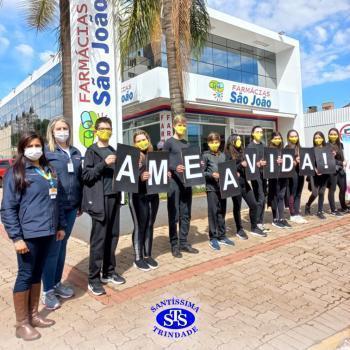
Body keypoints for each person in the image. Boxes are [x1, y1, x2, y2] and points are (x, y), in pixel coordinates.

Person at [1, 132, 66, 341]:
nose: (35, 148)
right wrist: (16, 237)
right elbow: (8, 209)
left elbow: (58, 200)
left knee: (37, 273)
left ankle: (34, 315)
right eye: (30, 145)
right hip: (28, 234)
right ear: (23, 148)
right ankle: (21, 324)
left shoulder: (49, 170)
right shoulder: (16, 173)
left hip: (48, 231)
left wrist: (60, 225)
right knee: (25, 274)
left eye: (38, 144)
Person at [41, 117, 83, 310]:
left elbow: (79, 180)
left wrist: (80, 202)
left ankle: (57, 284)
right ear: (52, 131)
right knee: (52, 250)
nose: (62, 131)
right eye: (58, 128)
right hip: (55, 209)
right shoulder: (47, 153)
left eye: (65, 128)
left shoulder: (75, 152)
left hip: (72, 208)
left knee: (62, 246)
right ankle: (47, 290)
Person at [82, 117, 125, 296]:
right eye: (102, 128)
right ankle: (93, 279)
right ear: (96, 130)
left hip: (114, 198)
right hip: (99, 201)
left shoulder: (114, 150)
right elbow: (87, 175)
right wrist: (103, 164)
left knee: (113, 236)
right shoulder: (91, 151)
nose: (106, 131)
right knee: (99, 239)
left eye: (108, 128)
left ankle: (108, 271)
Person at [163, 114, 199, 258]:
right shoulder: (169, 143)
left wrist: (199, 164)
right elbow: (162, 161)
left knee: (186, 214)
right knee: (174, 214)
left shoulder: (187, 144)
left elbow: (192, 162)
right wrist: (172, 168)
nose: (182, 128)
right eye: (179, 125)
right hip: (173, 184)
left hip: (187, 183)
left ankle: (183, 242)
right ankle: (174, 244)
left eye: (184, 125)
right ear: (174, 126)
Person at [129, 130, 160, 271]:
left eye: (144, 139)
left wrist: (165, 174)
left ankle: (147, 255)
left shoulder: (154, 156)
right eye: (139, 140)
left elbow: (158, 174)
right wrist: (140, 178)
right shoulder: (132, 156)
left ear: (148, 140)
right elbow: (126, 178)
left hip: (152, 195)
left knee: (149, 224)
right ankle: (138, 258)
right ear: (134, 143)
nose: (142, 142)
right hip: (137, 196)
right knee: (139, 226)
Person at [225, 134, 266, 239]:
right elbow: (226, 169)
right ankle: (239, 229)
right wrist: (239, 166)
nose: (239, 141)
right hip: (235, 184)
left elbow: (249, 165)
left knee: (254, 204)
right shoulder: (227, 154)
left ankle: (254, 227)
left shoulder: (243, 152)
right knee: (237, 207)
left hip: (244, 183)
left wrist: (256, 165)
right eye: (237, 139)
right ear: (232, 141)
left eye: (240, 139)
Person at [202, 132, 235, 250]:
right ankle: (213, 238)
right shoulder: (205, 156)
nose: (214, 144)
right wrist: (212, 175)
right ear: (208, 143)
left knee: (222, 212)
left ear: (220, 143)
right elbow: (201, 172)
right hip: (211, 189)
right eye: (212, 142)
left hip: (223, 188)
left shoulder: (224, 155)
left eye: (216, 142)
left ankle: (222, 236)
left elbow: (228, 169)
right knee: (213, 213)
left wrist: (233, 174)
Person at [247, 126, 270, 233]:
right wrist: (257, 164)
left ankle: (260, 222)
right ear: (252, 133)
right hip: (255, 176)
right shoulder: (250, 146)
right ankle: (256, 223)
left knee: (263, 198)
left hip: (263, 175)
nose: (260, 133)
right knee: (260, 199)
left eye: (261, 132)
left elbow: (267, 158)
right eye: (257, 132)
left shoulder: (263, 145)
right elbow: (248, 163)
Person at [267, 132, 292, 229]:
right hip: (274, 177)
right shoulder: (269, 150)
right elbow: (266, 163)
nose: (278, 140)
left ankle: (281, 218)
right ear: (272, 140)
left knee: (281, 196)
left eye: (279, 138)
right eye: (275, 138)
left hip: (283, 176)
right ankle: (275, 219)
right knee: (275, 197)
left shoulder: (283, 150)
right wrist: (275, 161)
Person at [305, 131, 330, 219]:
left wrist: (333, 156)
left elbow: (330, 162)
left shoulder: (327, 149)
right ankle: (308, 205)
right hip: (314, 174)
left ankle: (320, 211)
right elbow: (309, 162)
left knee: (322, 192)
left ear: (323, 138)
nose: (318, 139)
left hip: (325, 174)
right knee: (315, 193)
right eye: (316, 138)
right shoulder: (311, 150)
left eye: (319, 137)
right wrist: (315, 170)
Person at [285, 129, 307, 224]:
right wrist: (294, 161)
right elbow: (286, 164)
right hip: (292, 173)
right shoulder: (286, 148)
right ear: (288, 138)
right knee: (292, 193)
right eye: (292, 136)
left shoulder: (300, 147)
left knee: (299, 193)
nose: (294, 138)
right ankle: (292, 214)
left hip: (301, 173)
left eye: (295, 136)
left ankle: (297, 213)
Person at [327, 128, 349, 214]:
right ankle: (333, 209)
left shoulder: (341, 144)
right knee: (332, 189)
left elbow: (342, 156)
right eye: (331, 134)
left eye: (335, 134)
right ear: (328, 135)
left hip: (341, 170)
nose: (333, 136)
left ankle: (343, 206)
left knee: (343, 189)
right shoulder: (326, 145)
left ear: (338, 135)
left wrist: (345, 161)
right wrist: (340, 162)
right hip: (332, 170)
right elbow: (328, 159)